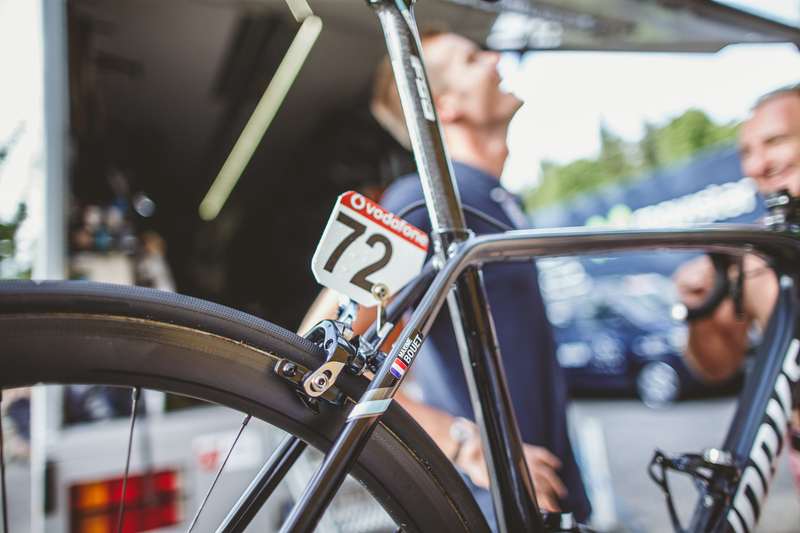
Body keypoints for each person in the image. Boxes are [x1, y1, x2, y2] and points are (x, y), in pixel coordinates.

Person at [300, 29, 591, 525]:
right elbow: (316, 350)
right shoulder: (418, 199)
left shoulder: (497, 199)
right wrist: (463, 443)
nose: (497, 58)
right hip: (489, 503)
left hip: (547, 486)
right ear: (447, 104)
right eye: (475, 57)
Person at [673, 84, 800, 495]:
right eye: (747, 151)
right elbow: (716, 368)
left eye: (775, 141)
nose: (756, 165)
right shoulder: (754, 255)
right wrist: (699, 309)